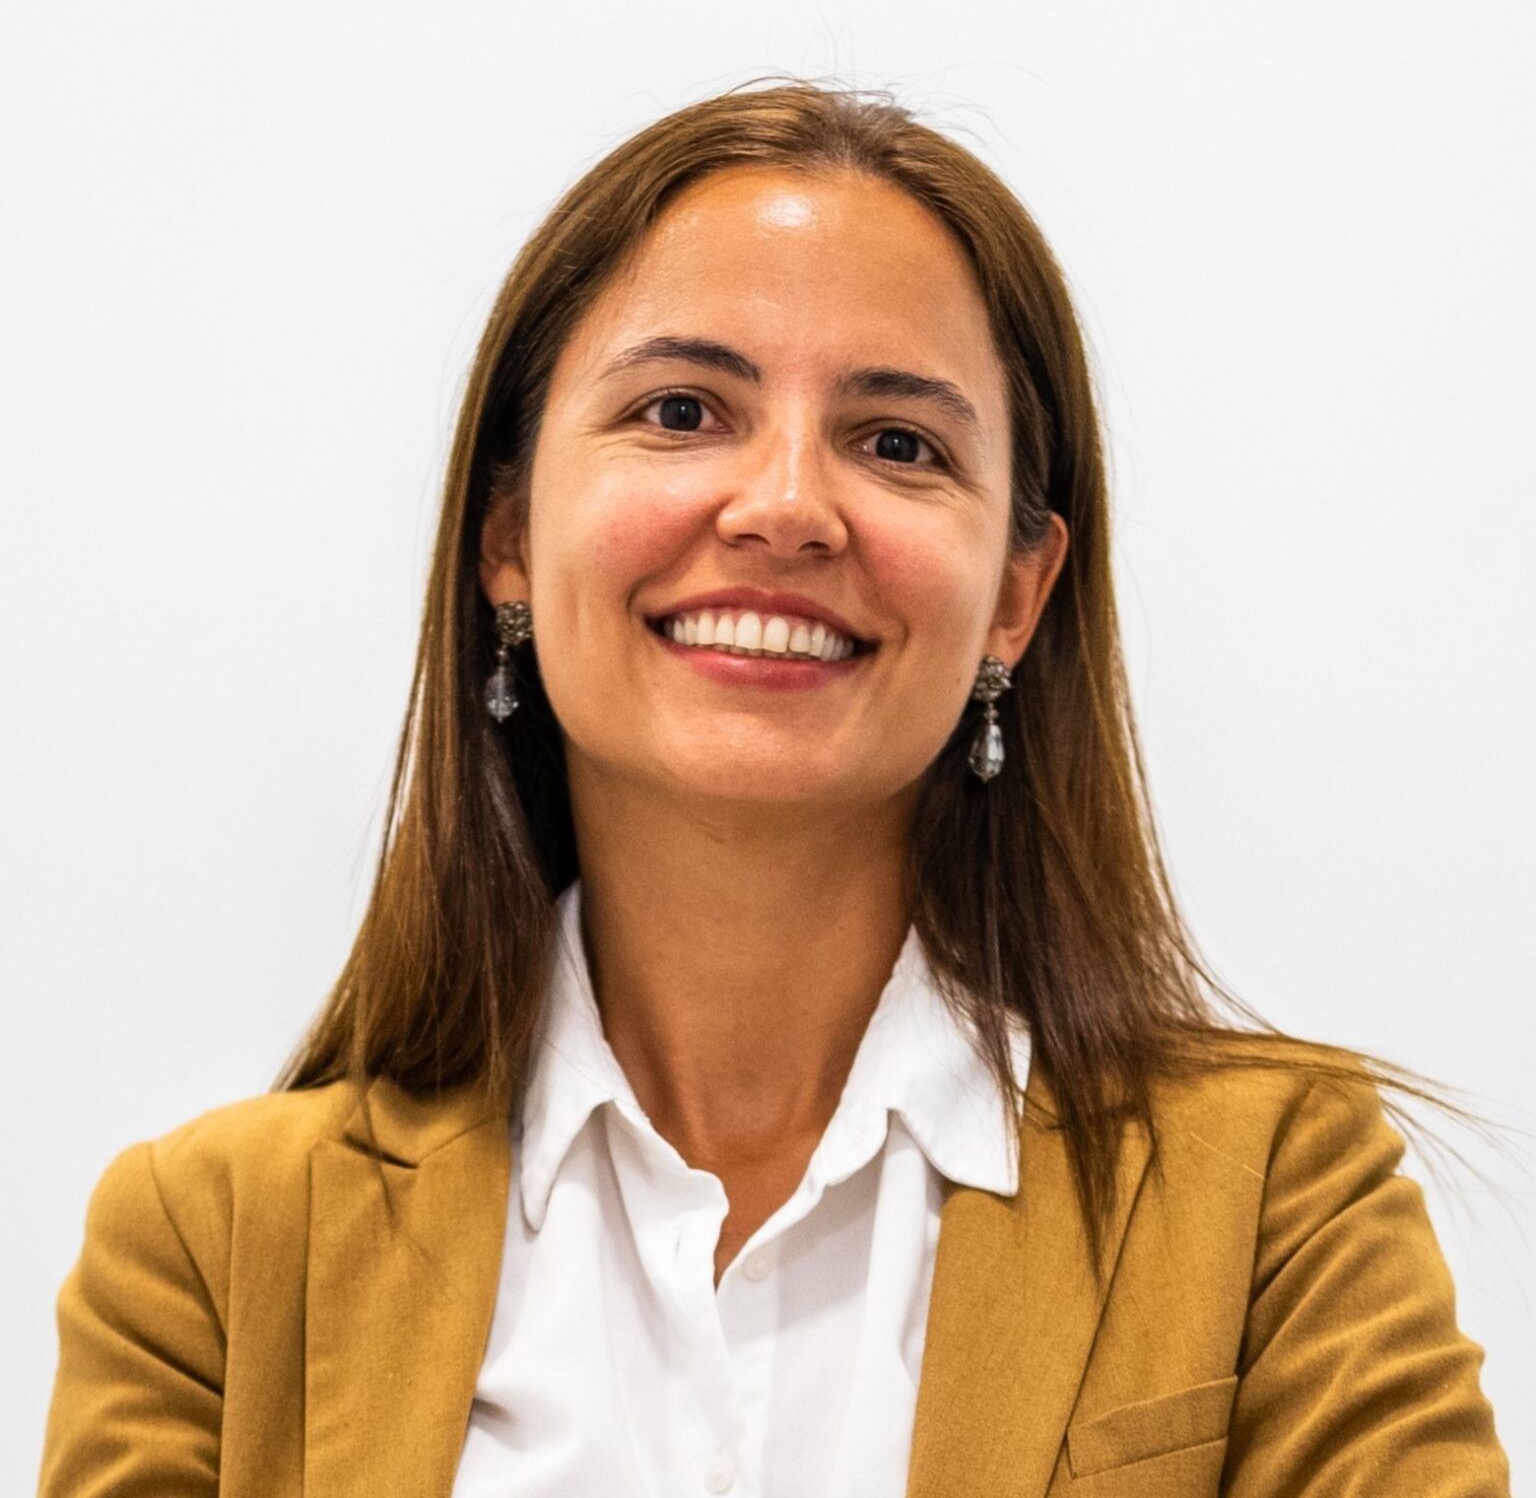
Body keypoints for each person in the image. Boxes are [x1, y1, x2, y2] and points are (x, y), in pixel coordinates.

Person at [38, 78, 1509, 1497]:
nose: (789, 507)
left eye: (897, 443)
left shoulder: (1275, 1203)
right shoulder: (215, 1252)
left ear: (1016, 596)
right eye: (682, 411)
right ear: (508, 537)